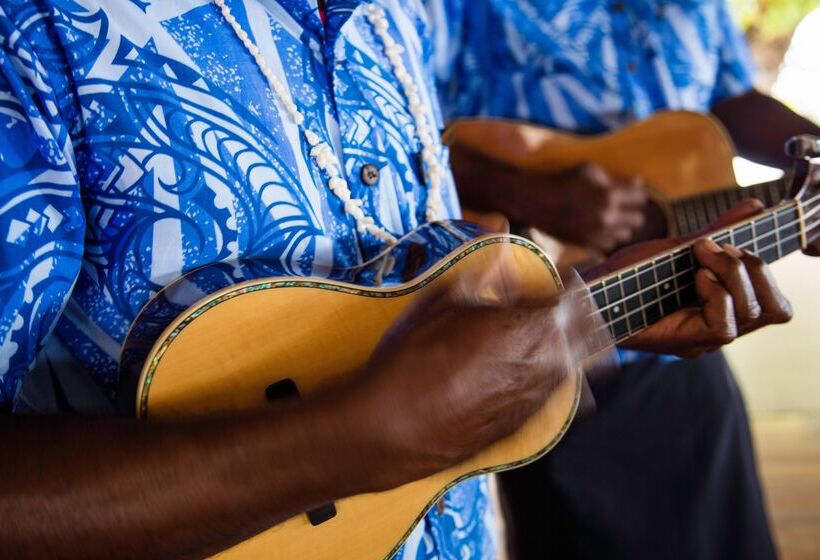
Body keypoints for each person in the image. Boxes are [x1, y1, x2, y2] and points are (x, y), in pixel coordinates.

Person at [0, 1, 802, 558]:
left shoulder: (393, 19)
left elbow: (409, 300)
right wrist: (355, 438)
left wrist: (586, 306)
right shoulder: (36, 29)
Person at [424, 0, 820, 558]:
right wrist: (536, 194)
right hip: (543, 349)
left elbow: (730, 95)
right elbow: (408, 135)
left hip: (686, 339)